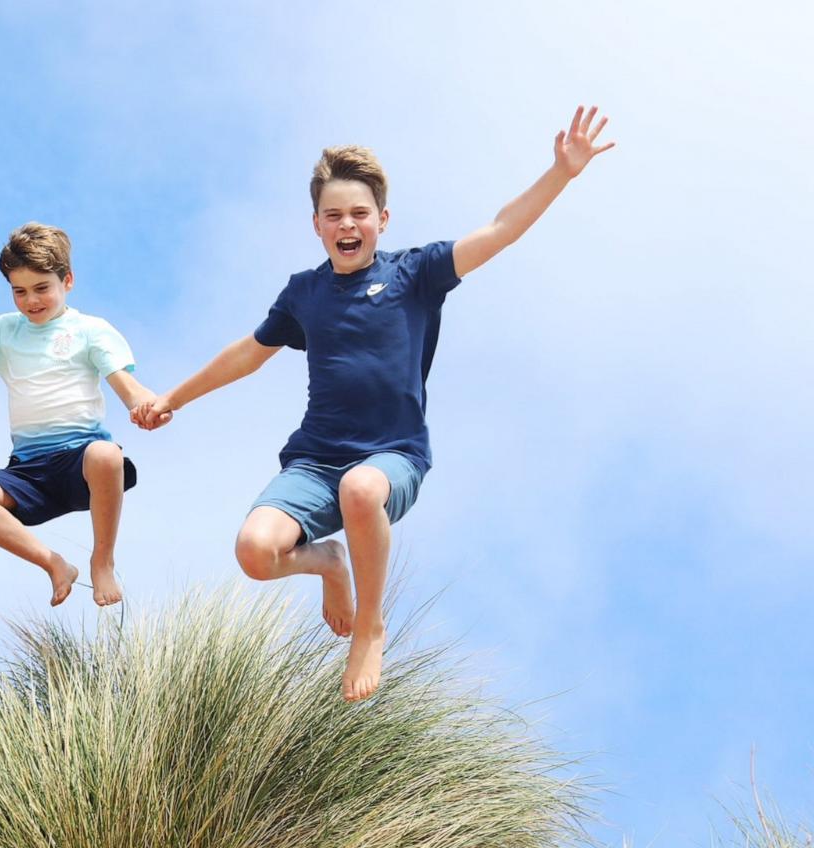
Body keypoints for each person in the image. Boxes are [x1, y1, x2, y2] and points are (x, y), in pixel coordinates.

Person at [134, 106, 615, 702]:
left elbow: (501, 228)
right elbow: (248, 353)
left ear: (381, 220)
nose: (347, 224)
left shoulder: (416, 273)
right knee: (255, 553)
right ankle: (330, 563)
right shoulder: (304, 292)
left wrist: (561, 174)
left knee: (361, 489)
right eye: (333, 215)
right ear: (316, 225)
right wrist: (173, 398)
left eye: (359, 213)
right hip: (313, 461)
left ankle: (370, 626)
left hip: (393, 456)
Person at [0, 222, 155, 607]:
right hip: (29, 471)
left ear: (68, 281)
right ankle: (54, 564)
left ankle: (102, 560)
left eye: (42, 288)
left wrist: (143, 405)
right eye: (19, 291)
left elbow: (128, 387)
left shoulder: (91, 330)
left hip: (82, 464)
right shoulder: (7, 332)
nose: (31, 301)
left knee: (106, 453)